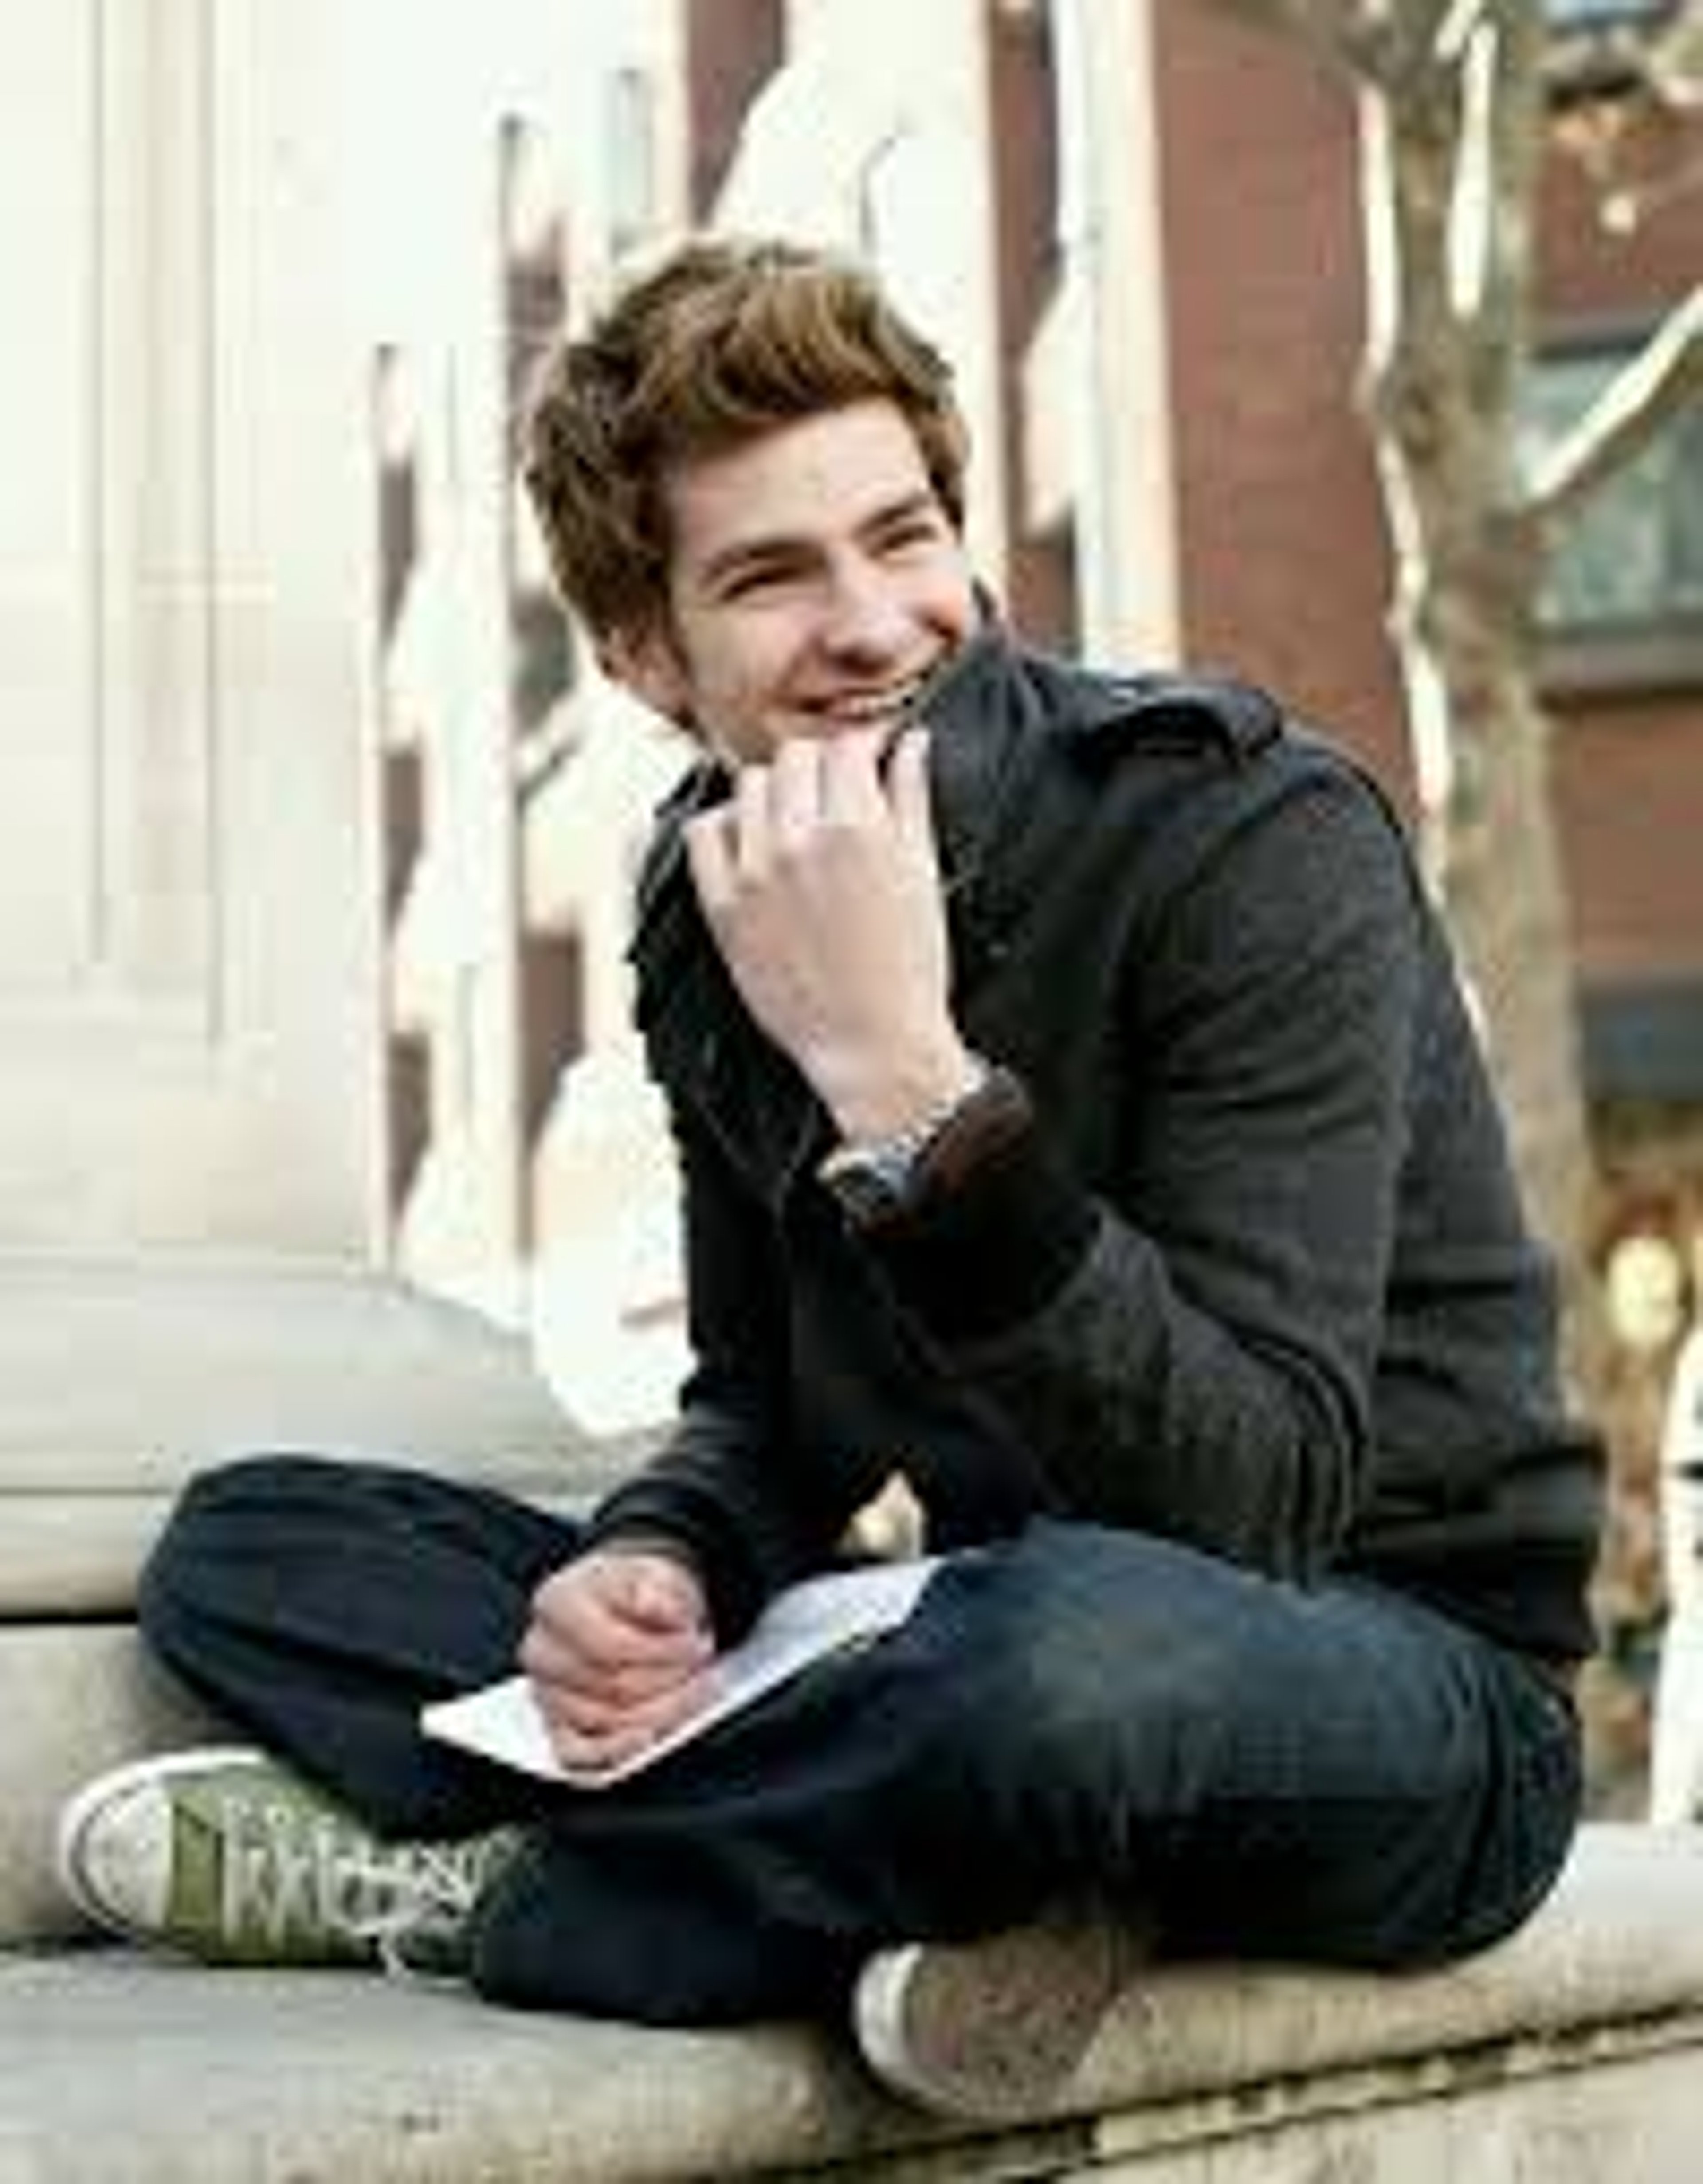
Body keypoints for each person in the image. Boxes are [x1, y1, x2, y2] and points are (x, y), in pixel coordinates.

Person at [55, 235, 1603, 2121]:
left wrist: (901, 1074)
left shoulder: (1247, 837)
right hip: (957, 1629)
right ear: (643, 655)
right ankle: (958, 1877)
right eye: (772, 575)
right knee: (253, 1553)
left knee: (1057, 1671)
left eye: (902, 536)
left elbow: (1255, 1501)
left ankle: (514, 1890)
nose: (873, 622)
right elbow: (763, 1416)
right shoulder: (699, 904)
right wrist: (659, 1558)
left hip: (1387, 1678)